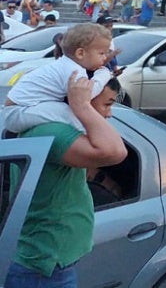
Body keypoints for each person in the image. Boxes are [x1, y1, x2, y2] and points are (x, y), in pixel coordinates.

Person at [4, 73, 126, 288]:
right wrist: (82, 107)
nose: (109, 114)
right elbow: (115, 152)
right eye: (107, 104)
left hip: (50, 261)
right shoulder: (53, 132)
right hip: (43, 265)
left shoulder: (61, 131)